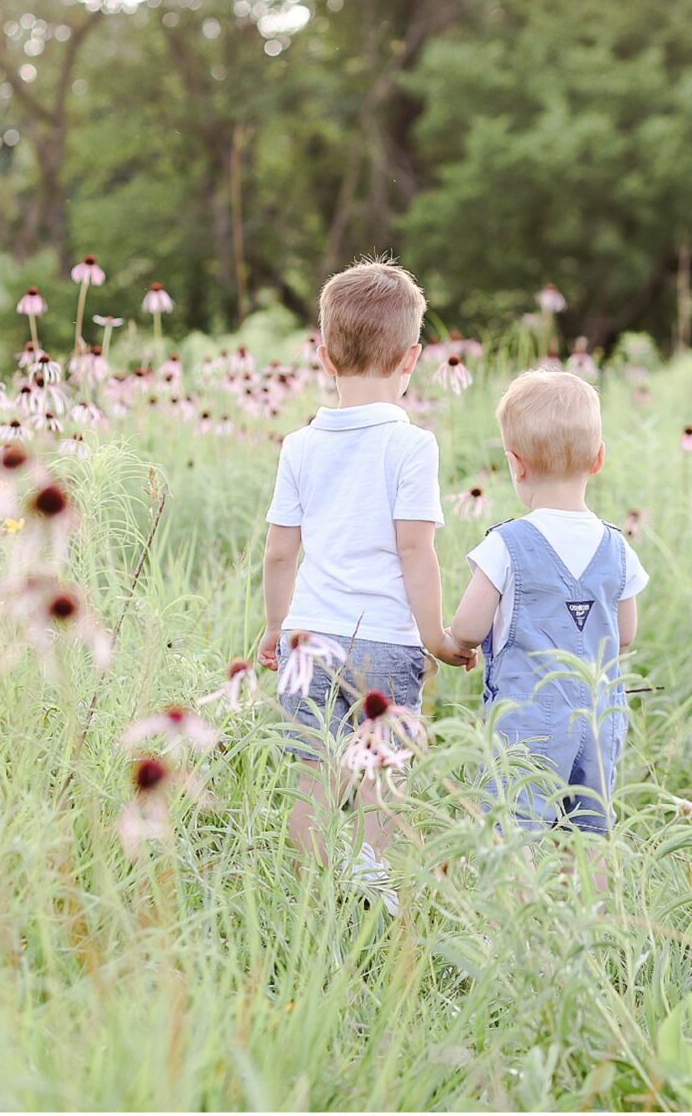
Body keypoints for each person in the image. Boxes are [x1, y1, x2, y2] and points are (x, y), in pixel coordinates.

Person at [257, 257, 473, 909]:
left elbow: (278, 553)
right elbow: (416, 550)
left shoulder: (299, 445)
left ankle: (308, 895)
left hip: (308, 638)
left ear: (324, 354)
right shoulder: (412, 446)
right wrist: (434, 635)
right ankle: (370, 882)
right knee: (381, 770)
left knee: (311, 771)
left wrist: (275, 629)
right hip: (387, 641)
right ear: (411, 359)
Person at [448, 369, 647, 858]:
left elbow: (470, 628)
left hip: (527, 719)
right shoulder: (617, 547)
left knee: (512, 830)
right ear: (598, 459)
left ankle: (508, 926)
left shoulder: (507, 545)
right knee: (590, 833)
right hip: (601, 717)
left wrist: (454, 643)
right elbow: (626, 634)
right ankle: (589, 919)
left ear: (515, 466)